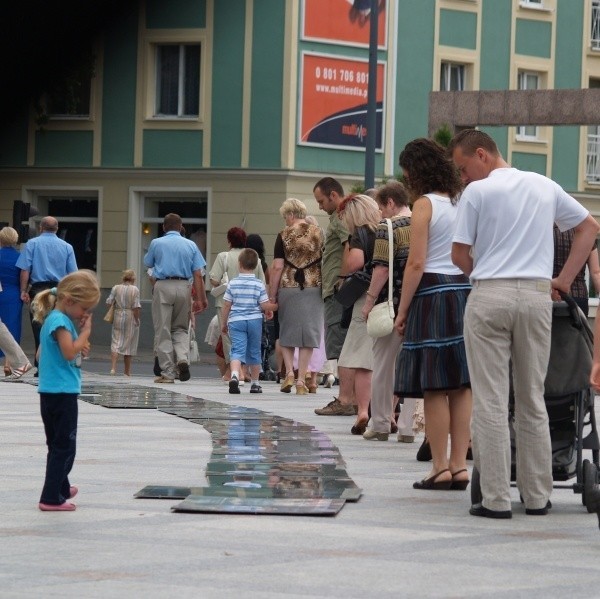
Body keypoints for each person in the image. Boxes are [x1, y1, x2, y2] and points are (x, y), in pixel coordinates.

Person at [449, 128, 600, 518]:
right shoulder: (544, 185)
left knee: (491, 400)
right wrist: (564, 280)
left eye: (463, 168)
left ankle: (496, 499)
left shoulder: (477, 193)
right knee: (533, 398)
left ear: (481, 154)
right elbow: (589, 228)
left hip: (490, 295)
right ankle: (537, 496)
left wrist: (481, 271)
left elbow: (458, 254)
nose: (463, 177)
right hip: (536, 296)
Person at [395, 138, 472, 492]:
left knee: (434, 385)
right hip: (463, 290)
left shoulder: (423, 205)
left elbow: (417, 262)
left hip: (433, 294)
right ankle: (460, 465)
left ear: (415, 171)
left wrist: (403, 309)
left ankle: (438, 466)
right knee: (461, 384)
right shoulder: (462, 200)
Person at [31, 270, 100, 511]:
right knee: (65, 446)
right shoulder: (61, 322)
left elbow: (42, 354)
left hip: (49, 393)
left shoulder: (52, 319)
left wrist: (77, 342)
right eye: (84, 309)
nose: (85, 315)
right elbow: (69, 352)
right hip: (62, 393)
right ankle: (50, 497)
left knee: (57, 443)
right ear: (69, 301)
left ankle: (61, 486)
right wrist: (84, 334)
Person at [361, 181, 415, 440]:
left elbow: (381, 268)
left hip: (391, 305)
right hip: (419, 303)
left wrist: (369, 301)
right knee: (413, 365)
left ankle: (381, 423)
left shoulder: (389, 226)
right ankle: (408, 427)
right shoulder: (423, 223)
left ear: (391, 203)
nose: (381, 214)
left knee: (383, 365)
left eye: (382, 208)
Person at [143, 213, 208, 383]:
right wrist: (202, 298)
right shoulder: (191, 245)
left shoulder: (156, 243)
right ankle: (183, 359)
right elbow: (198, 274)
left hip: (163, 286)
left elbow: (148, 263)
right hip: (184, 287)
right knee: (180, 328)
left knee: (163, 329)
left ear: (164, 227)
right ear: (181, 227)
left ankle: (168, 373)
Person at [268, 198, 324, 395]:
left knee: (288, 331)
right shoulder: (318, 232)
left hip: (289, 286)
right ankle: (302, 380)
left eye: (285, 217)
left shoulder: (283, 235)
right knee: (309, 333)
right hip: (313, 285)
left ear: (290, 215)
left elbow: (277, 267)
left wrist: (272, 295)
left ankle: (289, 373)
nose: (285, 221)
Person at [335, 194, 380, 435]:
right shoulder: (385, 229)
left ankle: (363, 410)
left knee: (363, 361)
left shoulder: (360, 235)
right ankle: (386, 413)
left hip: (366, 296)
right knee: (384, 359)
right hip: (390, 295)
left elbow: (355, 262)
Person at [313, 177, 355, 415]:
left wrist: (341, 277)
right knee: (342, 343)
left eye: (321, 201)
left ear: (333, 195)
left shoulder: (339, 217)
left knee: (339, 344)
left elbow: (348, 244)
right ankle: (350, 399)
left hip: (336, 290)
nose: (320, 206)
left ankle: (345, 400)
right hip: (337, 288)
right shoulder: (341, 215)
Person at [16, 216, 78, 375]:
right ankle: (55, 365)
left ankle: (41, 365)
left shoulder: (32, 244)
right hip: (59, 290)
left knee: (39, 327)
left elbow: (25, 269)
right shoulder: (67, 247)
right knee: (58, 326)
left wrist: (23, 291)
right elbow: (73, 274)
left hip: (38, 290)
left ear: (41, 228)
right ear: (57, 229)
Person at [210, 227, 264, 381]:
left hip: (226, 302)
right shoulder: (255, 258)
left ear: (229, 241)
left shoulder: (223, 257)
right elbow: (262, 282)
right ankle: (244, 371)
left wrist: (222, 282)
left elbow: (213, 279)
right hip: (251, 305)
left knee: (228, 338)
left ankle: (235, 370)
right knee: (250, 340)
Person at [221, 248, 277, 394]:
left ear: (239, 264)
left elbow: (227, 305)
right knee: (254, 351)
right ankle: (255, 383)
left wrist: (224, 323)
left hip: (236, 320)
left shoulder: (232, 283)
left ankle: (234, 376)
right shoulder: (259, 284)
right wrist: (275, 307)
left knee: (237, 350)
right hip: (254, 321)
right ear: (256, 266)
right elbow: (264, 305)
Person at [553, 225, 600, 315]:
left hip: (552, 295)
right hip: (579, 296)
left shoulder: (547, 234)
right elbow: (596, 273)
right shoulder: (586, 236)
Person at [106, 269, 141, 376]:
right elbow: (136, 307)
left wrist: (116, 305)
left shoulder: (116, 288)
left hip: (118, 314)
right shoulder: (135, 289)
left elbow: (108, 302)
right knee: (129, 343)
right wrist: (137, 319)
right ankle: (127, 371)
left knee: (116, 341)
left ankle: (113, 368)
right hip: (130, 316)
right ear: (133, 278)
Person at [0, 227, 23, 375]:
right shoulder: (20, 257)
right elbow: (24, 276)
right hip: (13, 294)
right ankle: (9, 363)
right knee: (11, 326)